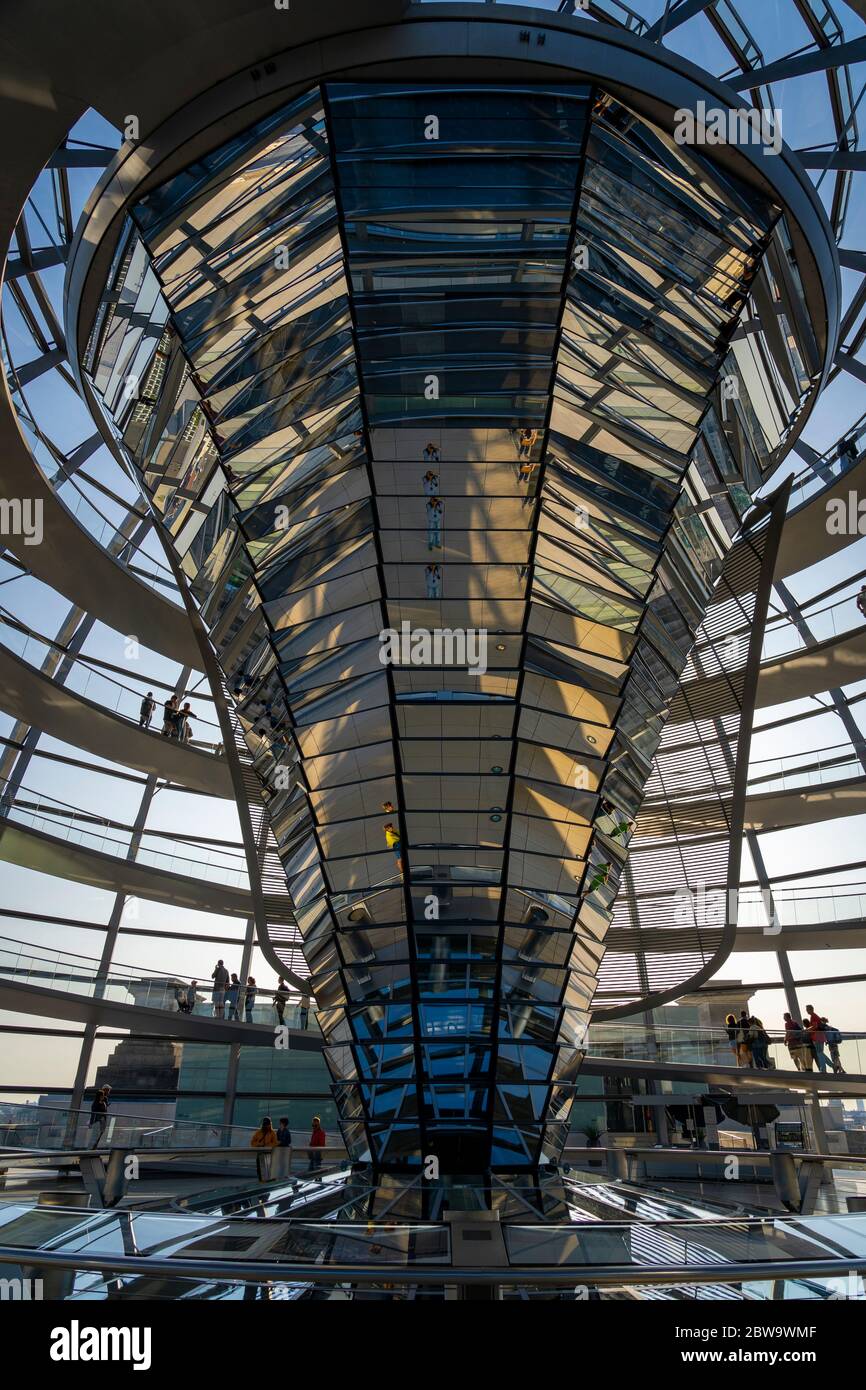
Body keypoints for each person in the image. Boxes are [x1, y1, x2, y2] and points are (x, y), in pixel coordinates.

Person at [251, 1115, 278, 1181]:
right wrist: (259, 1144)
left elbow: (275, 1143)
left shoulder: (272, 1133)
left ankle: (271, 1183)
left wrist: (267, 1145)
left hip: (269, 1155)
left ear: (270, 1125)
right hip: (260, 1154)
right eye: (265, 1125)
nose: (266, 1126)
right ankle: (261, 1182)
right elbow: (252, 1143)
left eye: (267, 1125)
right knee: (260, 1170)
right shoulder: (258, 1133)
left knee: (270, 1170)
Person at [806, 1004, 829, 1072]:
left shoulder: (813, 1016)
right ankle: (832, 1066)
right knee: (820, 1053)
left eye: (807, 1009)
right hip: (820, 1036)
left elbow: (815, 1026)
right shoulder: (815, 1016)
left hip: (817, 1037)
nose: (806, 1011)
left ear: (811, 1009)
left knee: (819, 1053)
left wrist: (806, 1030)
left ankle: (823, 1069)